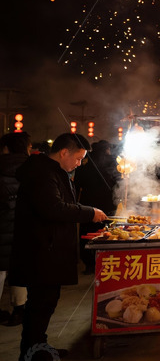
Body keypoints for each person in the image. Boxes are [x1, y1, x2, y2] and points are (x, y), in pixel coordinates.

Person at [11, 133, 107, 361]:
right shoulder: (42, 173)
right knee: (40, 305)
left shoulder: (52, 170)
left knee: (45, 303)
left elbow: (64, 203)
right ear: (64, 152)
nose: (79, 164)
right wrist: (88, 212)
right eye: (78, 158)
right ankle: (32, 353)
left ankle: (38, 347)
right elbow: (53, 208)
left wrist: (85, 209)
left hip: (48, 249)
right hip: (41, 250)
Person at [74, 140, 119, 273]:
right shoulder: (112, 165)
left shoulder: (85, 166)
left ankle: (89, 263)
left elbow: (76, 186)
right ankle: (107, 262)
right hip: (108, 204)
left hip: (88, 205)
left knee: (88, 234)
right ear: (107, 150)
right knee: (108, 233)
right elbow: (119, 184)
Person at [0, 133, 31, 327]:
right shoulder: (34, 168)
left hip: (1, 228)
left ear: (5, 148)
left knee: (0, 271)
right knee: (20, 269)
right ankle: (19, 310)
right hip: (25, 228)